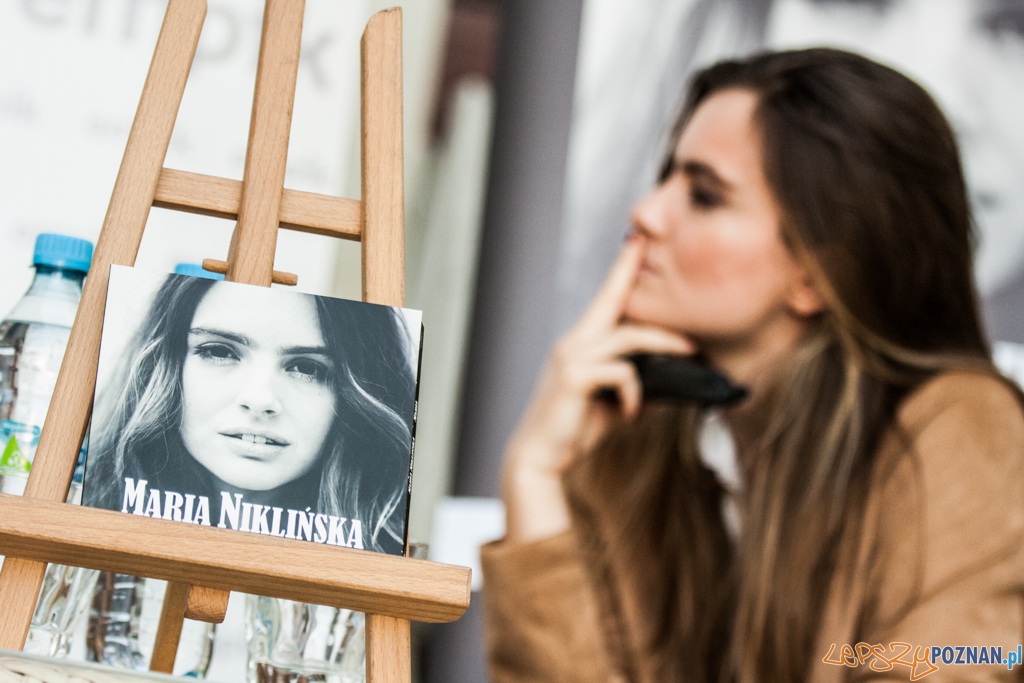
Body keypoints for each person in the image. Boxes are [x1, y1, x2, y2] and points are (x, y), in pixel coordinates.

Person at [482, 49, 1024, 682]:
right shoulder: (640, 442)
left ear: (819, 270)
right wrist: (536, 475)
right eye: (667, 179)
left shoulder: (962, 428)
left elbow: (952, 663)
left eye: (705, 195)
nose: (648, 213)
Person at [84, 272, 417, 555]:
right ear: (165, 365)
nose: (259, 399)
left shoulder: (376, 580)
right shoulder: (83, 525)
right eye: (219, 351)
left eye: (306, 367)